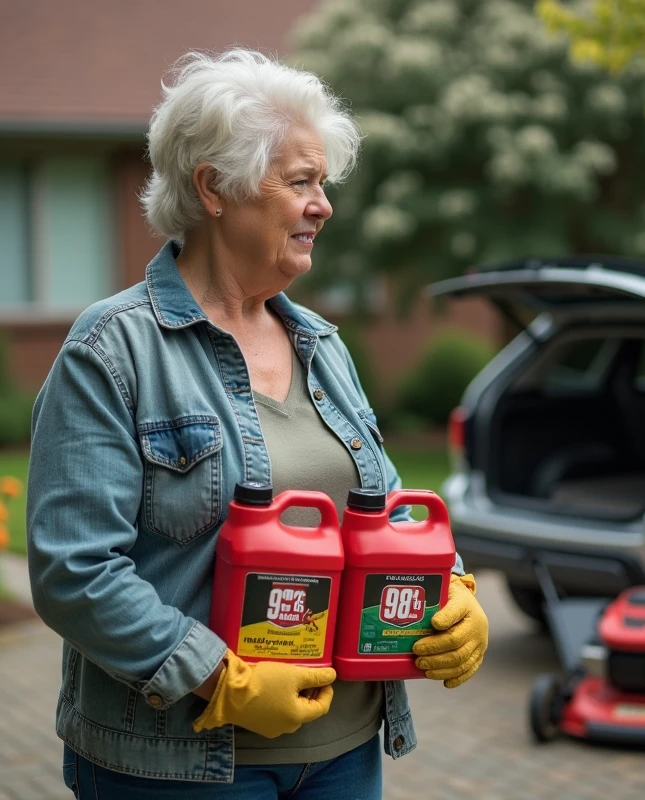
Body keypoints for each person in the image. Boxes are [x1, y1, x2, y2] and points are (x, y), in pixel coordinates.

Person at [26, 48, 489, 799]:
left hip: (345, 752)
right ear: (215, 187)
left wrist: (455, 589)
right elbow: (72, 572)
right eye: (300, 182)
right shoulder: (114, 351)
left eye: (323, 184)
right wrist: (220, 680)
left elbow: (388, 507)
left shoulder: (322, 345)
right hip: (184, 766)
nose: (324, 205)